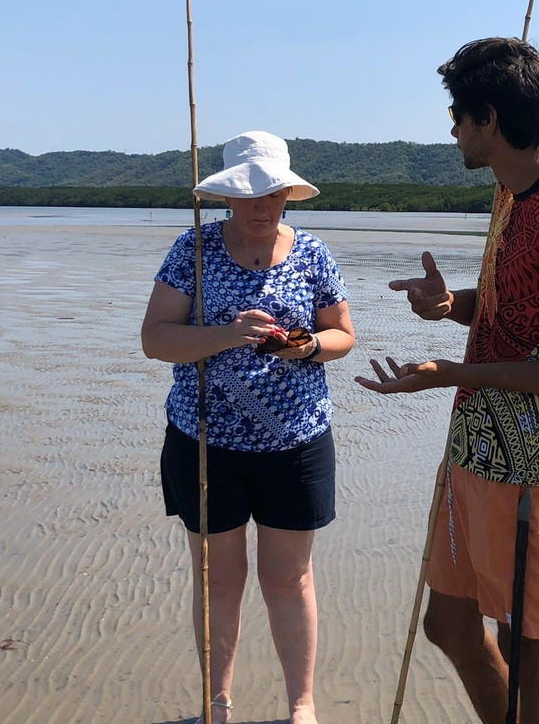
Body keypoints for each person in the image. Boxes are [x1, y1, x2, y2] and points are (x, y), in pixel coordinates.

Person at [355, 37, 539, 724]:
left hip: (529, 463)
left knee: (526, 638)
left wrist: (456, 374)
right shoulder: (510, 192)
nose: (451, 130)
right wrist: (452, 308)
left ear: (491, 120)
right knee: (448, 624)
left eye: (458, 115)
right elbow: (518, 312)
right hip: (476, 447)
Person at [141, 130, 355, 724]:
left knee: (289, 579)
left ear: (289, 195)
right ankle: (216, 706)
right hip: (205, 442)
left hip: (296, 441)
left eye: (273, 194)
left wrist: (310, 346)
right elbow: (155, 339)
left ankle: (301, 707)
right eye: (248, 196)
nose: (262, 208)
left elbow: (344, 335)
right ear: (227, 199)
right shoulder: (194, 250)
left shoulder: (312, 252)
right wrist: (227, 334)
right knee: (217, 581)